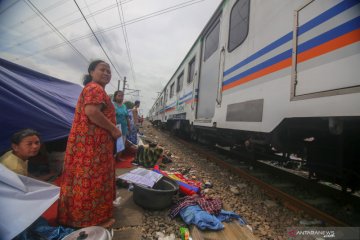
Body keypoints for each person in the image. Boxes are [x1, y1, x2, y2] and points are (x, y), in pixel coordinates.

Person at [58, 60, 122, 228]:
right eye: (103, 69)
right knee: (92, 180)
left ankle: (78, 218)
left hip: (88, 144)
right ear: (92, 72)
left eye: (109, 71)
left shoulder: (92, 88)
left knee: (81, 179)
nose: (107, 73)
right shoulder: (95, 88)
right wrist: (114, 130)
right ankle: (93, 221)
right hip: (93, 146)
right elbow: (92, 112)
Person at [113, 90, 130, 160]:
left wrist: (129, 126)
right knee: (114, 143)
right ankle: (112, 158)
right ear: (115, 96)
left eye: (122, 96)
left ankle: (118, 157)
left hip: (123, 128)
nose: (121, 97)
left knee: (122, 143)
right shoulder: (113, 105)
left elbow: (127, 117)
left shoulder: (124, 106)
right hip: (114, 127)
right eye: (119, 96)